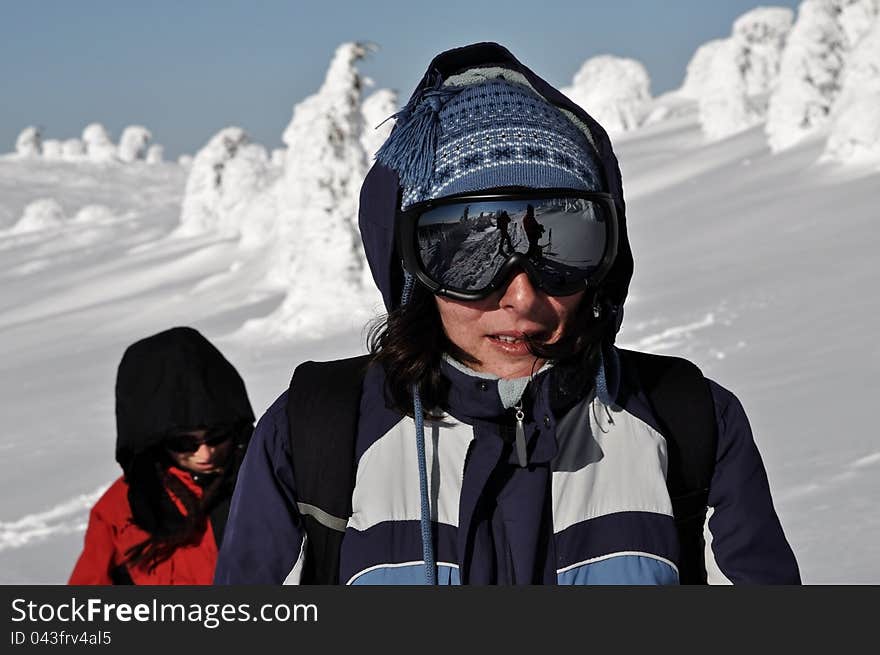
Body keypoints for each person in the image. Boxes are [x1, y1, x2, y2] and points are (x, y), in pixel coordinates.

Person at [215, 43, 799, 585]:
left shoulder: (687, 419)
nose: (522, 298)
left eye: (564, 245)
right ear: (415, 268)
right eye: (471, 254)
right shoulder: (319, 430)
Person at [69, 326, 254, 585]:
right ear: (157, 441)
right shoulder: (121, 509)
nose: (206, 452)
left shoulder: (263, 481)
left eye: (216, 436)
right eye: (185, 443)